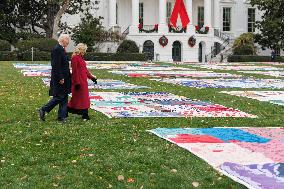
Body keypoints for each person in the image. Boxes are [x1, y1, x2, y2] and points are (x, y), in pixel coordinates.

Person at [38, 34, 71, 122]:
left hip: (65, 77)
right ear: (63, 40)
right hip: (60, 78)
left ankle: (62, 116)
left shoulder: (61, 49)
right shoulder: (57, 49)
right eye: (68, 40)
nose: (69, 42)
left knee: (64, 97)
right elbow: (56, 65)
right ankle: (43, 109)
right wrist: (60, 77)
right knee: (60, 96)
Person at [67, 43, 97, 121]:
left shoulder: (81, 58)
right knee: (81, 99)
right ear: (81, 50)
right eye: (84, 50)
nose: (85, 51)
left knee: (80, 99)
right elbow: (75, 71)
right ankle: (84, 115)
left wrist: (92, 78)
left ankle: (69, 111)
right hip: (79, 82)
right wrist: (77, 83)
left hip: (83, 81)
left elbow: (85, 70)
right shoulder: (75, 58)